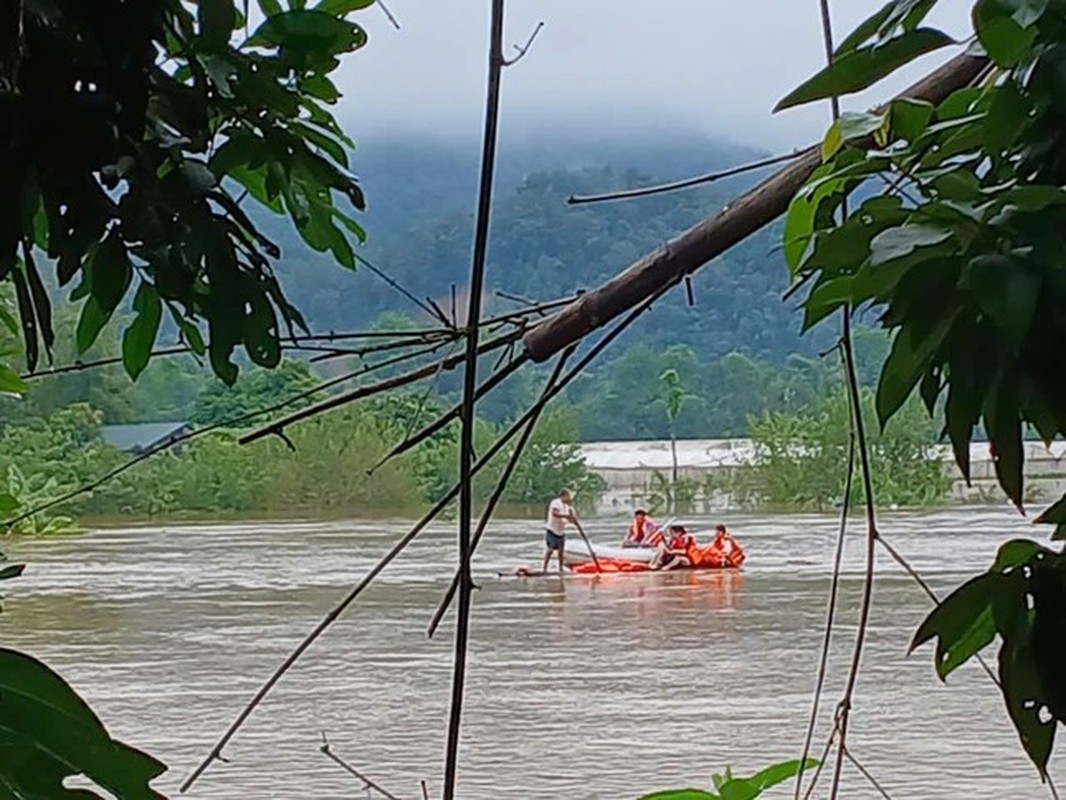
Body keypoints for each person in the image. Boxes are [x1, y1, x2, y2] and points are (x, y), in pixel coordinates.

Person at [543, 488, 576, 574]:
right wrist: (567, 516)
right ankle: (544, 568)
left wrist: (572, 519)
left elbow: (571, 519)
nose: (569, 499)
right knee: (550, 550)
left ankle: (560, 569)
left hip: (561, 531)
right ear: (563, 496)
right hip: (552, 530)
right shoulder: (556, 503)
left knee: (561, 552)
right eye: (568, 497)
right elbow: (555, 514)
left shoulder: (568, 507)